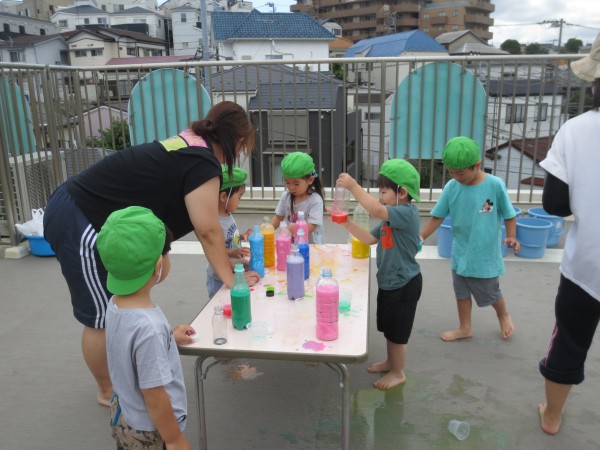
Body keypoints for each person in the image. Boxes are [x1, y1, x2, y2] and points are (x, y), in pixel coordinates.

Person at [43, 101, 260, 407]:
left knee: (121, 303)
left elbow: (196, 222)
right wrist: (231, 279)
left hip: (91, 213)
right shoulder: (203, 162)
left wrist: (223, 256)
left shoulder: (190, 146)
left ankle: (129, 369)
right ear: (239, 142)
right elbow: (208, 229)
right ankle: (108, 391)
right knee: (100, 316)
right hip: (80, 216)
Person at [537, 34, 600, 436]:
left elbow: (556, 205)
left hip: (589, 267)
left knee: (570, 340)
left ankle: (552, 416)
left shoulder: (577, 131)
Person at [97, 206, 193, 450]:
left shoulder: (115, 303)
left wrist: (169, 338)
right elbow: (155, 397)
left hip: (124, 414)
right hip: (150, 431)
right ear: (158, 264)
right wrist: (173, 439)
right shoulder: (149, 327)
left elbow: (132, 350)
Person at [420, 137, 520, 342]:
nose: (455, 176)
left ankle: (503, 315)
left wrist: (511, 236)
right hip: (460, 251)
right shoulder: (452, 187)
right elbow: (437, 216)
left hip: (484, 253)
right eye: (451, 171)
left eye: (460, 172)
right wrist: (420, 236)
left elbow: (509, 214)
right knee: (461, 292)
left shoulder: (495, 185)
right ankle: (465, 327)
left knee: (491, 292)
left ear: (477, 165)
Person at [334, 159, 423, 390]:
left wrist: (353, 186)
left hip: (404, 284)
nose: (380, 196)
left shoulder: (407, 213)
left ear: (402, 193)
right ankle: (390, 362)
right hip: (389, 283)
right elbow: (369, 238)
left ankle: (398, 372)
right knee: (389, 329)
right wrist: (346, 223)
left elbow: (373, 208)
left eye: (383, 191)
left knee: (397, 334)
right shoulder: (388, 220)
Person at [206, 165, 258, 298]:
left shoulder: (227, 214)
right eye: (239, 197)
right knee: (221, 303)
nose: (239, 201)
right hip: (219, 277)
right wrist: (234, 252)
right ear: (224, 197)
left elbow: (230, 238)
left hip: (232, 269)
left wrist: (243, 235)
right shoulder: (215, 222)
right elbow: (215, 250)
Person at [272, 151, 325, 244]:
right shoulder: (286, 196)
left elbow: (312, 226)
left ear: (310, 180)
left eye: (296, 183)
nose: (291, 187)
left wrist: (291, 228)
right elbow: (278, 217)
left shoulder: (315, 200)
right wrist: (267, 230)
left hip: (311, 246)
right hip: (291, 244)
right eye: (287, 182)